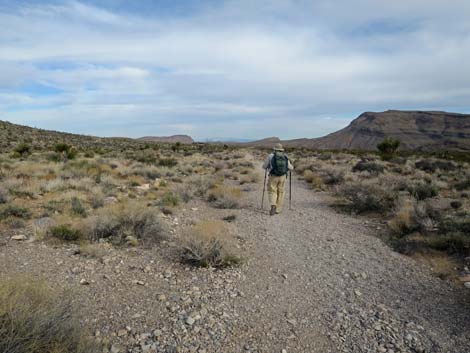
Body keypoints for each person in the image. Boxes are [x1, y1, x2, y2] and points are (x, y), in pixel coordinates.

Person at [262, 143, 294, 215]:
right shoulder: (285, 156)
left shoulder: (271, 156)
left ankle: (273, 205)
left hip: (273, 176)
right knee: (281, 192)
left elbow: (264, 166)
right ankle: (278, 209)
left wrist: (268, 167)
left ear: (274, 149)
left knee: (272, 191)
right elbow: (291, 168)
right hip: (282, 177)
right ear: (281, 149)